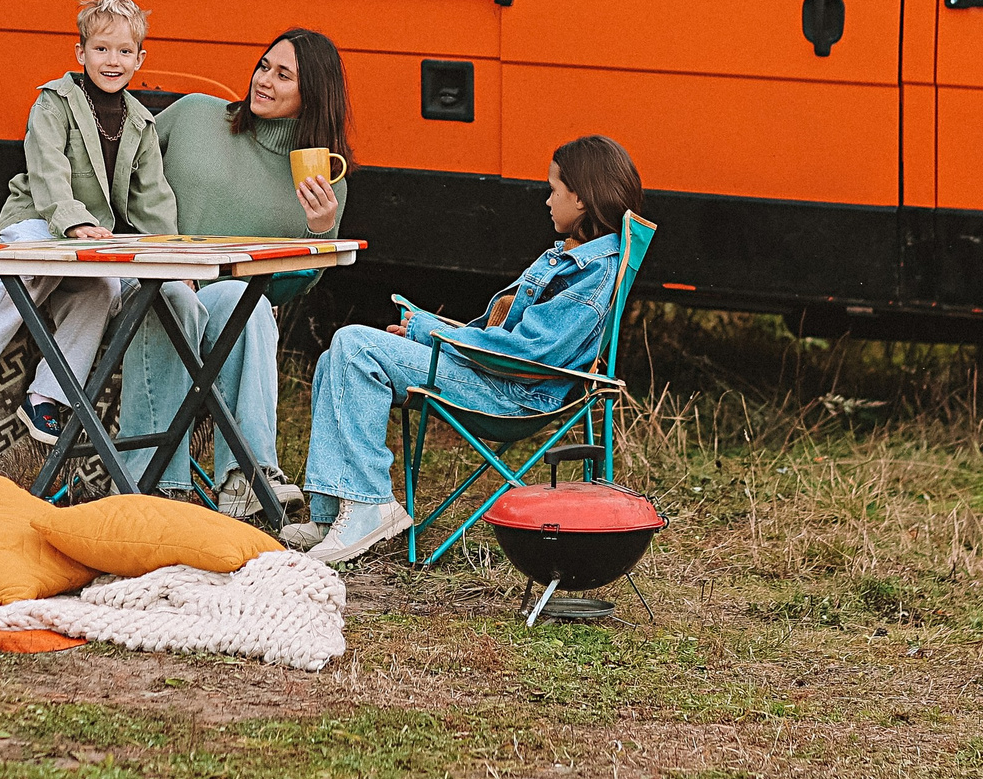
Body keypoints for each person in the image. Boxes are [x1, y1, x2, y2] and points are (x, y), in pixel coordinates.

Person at [288, 134, 642, 564]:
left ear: (582, 199)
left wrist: (429, 331)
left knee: (354, 344)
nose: (547, 202)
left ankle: (368, 504)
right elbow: (504, 339)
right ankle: (331, 513)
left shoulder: (591, 274)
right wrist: (429, 334)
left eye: (553, 190)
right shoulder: (569, 256)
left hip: (512, 396)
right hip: (495, 378)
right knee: (335, 359)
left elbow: (527, 357)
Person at [0, 0, 178, 443]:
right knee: (37, 259)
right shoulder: (54, 102)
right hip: (38, 217)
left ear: (141, 58)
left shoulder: (141, 123)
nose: (112, 61)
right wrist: (72, 221)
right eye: (101, 49)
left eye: (124, 51)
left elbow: (152, 198)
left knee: (100, 290)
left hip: (88, 236)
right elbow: (48, 172)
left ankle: (49, 396)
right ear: (81, 53)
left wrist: (170, 253)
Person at [119, 28, 350, 518]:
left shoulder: (322, 181)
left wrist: (318, 234)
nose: (263, 80)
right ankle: (159, 485)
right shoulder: (196, 115)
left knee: (253, 306)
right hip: (141, 281)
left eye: (282, 75)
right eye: (264, 65)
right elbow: (120, 170)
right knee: (175, 296)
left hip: (219, 299)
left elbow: (285, 288)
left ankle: (247, 475)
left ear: (313, 95)